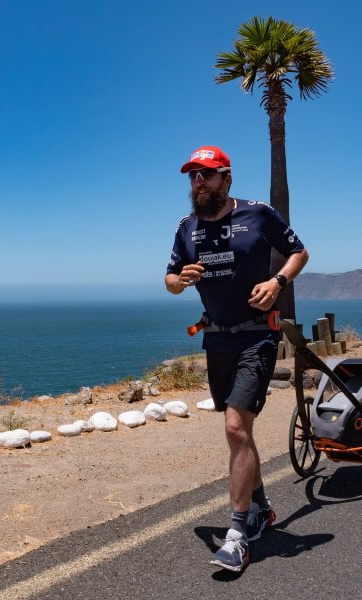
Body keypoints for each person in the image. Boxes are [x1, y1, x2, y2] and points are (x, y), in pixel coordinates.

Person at [165, 145, 309, 572]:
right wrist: (180, 280)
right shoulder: (186, 227)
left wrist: (278, 281)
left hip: (256, 339)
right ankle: (262, 508)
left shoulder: (258, 214)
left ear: (226, 178)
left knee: (234, 426)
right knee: (240, 433)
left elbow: (300, 251)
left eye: (206, 175)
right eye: (192, 175)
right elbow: (170, 278)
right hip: (217, 342)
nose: (198, 182)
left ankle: (236, 534)